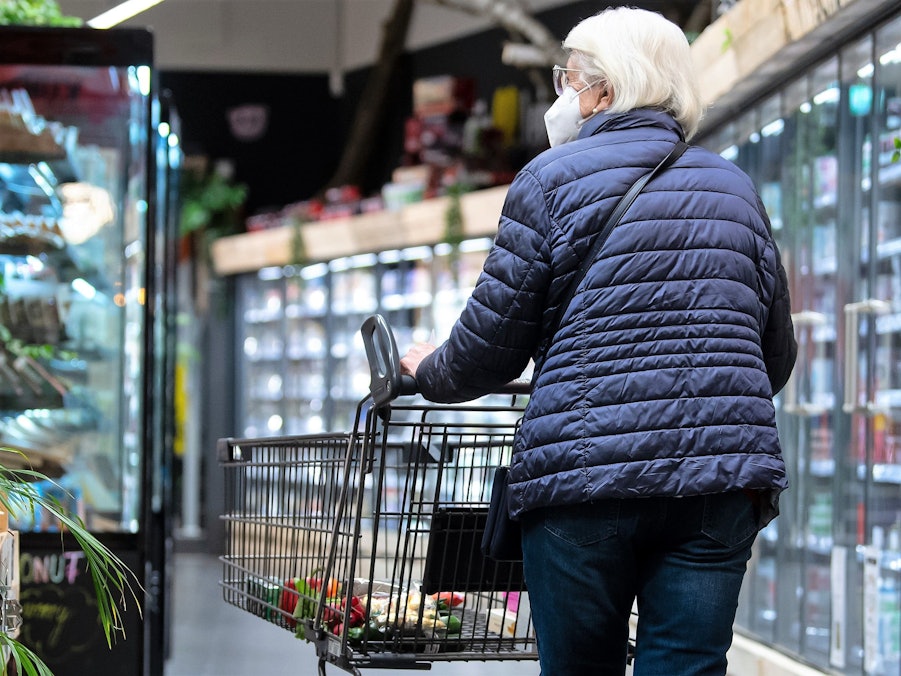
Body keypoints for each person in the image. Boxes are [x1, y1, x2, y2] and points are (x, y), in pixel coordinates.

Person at [400, 7, 797, 676]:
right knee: (687, 665)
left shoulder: (550, 182)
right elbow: (773, 354)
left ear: (604, 90)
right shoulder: (733, 187)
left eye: (568, 80)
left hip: (582, 484)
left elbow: (489, 346)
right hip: (716, 483)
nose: (563, 97)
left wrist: (427, 372)